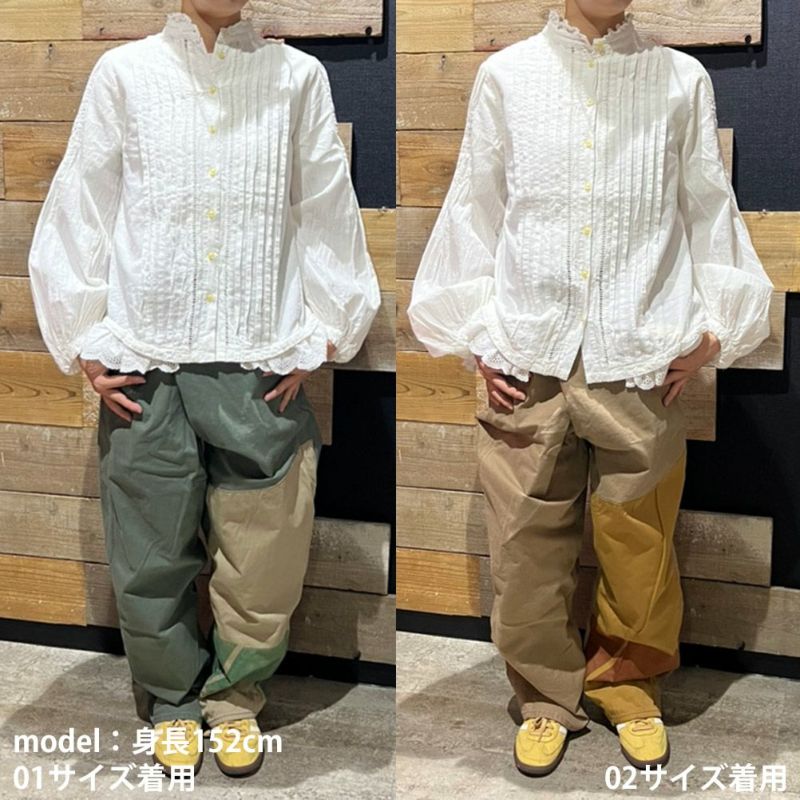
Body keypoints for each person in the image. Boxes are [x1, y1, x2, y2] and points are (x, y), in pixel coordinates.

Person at [407, 0, 773, 777]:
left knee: (641, 544)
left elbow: (706, 204)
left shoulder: (680, 78)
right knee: (522, 549)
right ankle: (544, 696)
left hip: (640, 354)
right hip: (526, 356)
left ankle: (629, 684)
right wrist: (474, 333)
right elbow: (476, 206)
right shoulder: (507, 76)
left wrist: (716, 327)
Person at [27, 0, 380, 779]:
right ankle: (171, 700)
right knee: (148, 553)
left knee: (265, 553)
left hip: (261, 363)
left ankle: (236, 697)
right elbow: (85, 201)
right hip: (145, 362)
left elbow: (323, 205)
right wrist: (82, 337)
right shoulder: (124, 74)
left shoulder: (297, 78)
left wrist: (326, 328)